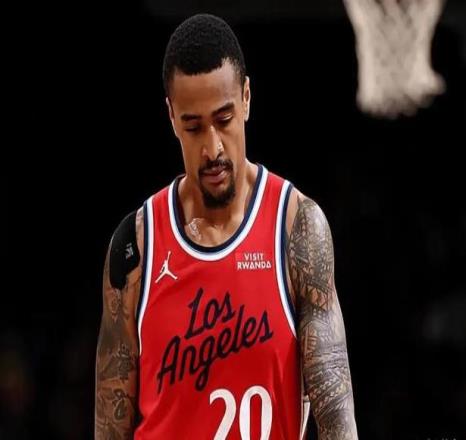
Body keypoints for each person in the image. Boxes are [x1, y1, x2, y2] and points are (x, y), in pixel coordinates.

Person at [95, 13, 358, 440]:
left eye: (224, 119)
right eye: (194, 127)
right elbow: (110, 424)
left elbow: (338, 419)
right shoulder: (135, 246)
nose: (212, 148)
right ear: (171, 116)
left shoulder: (296, 228)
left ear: (247, 98)